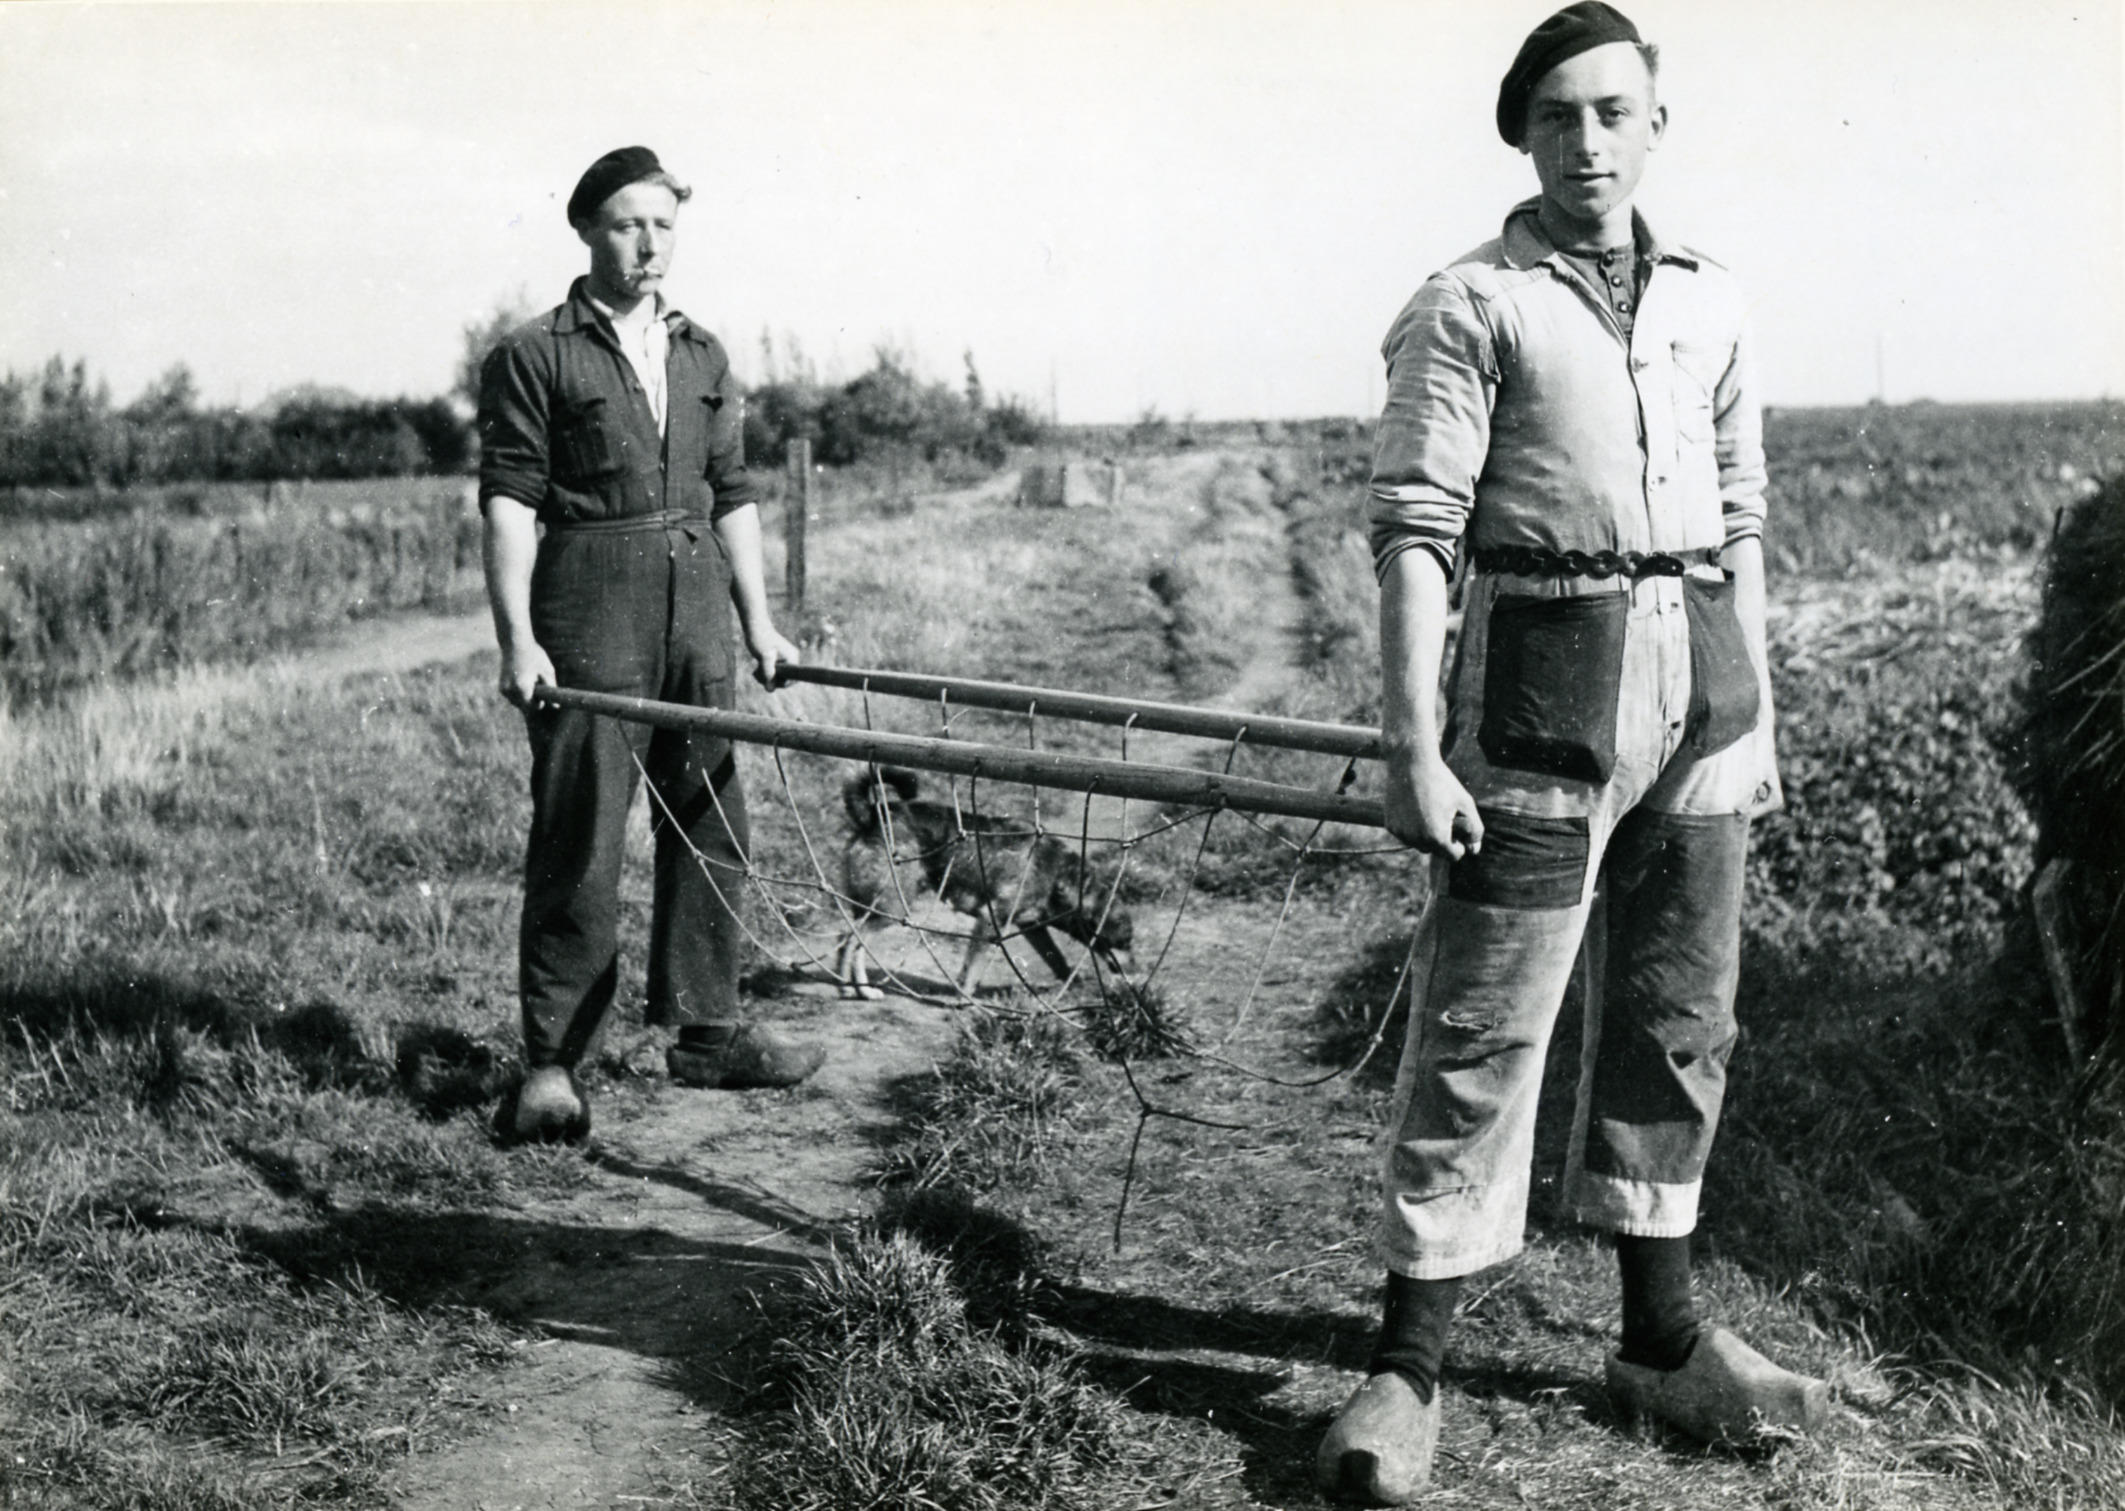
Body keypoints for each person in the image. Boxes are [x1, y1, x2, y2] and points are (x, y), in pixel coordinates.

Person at [1317, 6, 1826, 1500]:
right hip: (1539, 681)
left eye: (1612, 112)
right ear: (1523, 136)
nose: (1585, 141)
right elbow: (1416, 534)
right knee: (1485, 1024)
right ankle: (1407, 1365)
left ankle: (1659, 1339)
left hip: (1700, 687)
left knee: (1678, 1016)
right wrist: (1413, 747)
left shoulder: (1711, 300)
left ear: (1655, 125)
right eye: (1556, 116)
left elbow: (1743, 512)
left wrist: (1752, 710)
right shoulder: (1470, 302)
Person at [479, 146, 823, 1144]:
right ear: (588, 229)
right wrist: (518, 639)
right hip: (591, 596)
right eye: (629, 223)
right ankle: (553, 1066)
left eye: (664, 225)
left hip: (696, 602)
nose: (649, 243)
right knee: (581, 830)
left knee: (712, 809)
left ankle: (708, 1032)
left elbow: (734, 493)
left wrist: (758, 622)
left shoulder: (701, 351)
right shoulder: (535, 353)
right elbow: (508, 501)